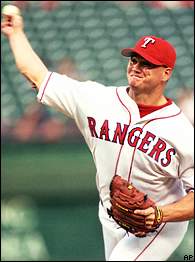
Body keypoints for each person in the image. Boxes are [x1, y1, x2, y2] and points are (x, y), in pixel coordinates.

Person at [1, 11, 194, 261]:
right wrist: (15, 34)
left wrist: (160, 214)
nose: (136, 67)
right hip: (110, 213)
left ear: (165, 73)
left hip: (159, 224)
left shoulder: (181, 131)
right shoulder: (98, 100)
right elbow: (38, 75)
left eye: (146, 63)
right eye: (134, 59)